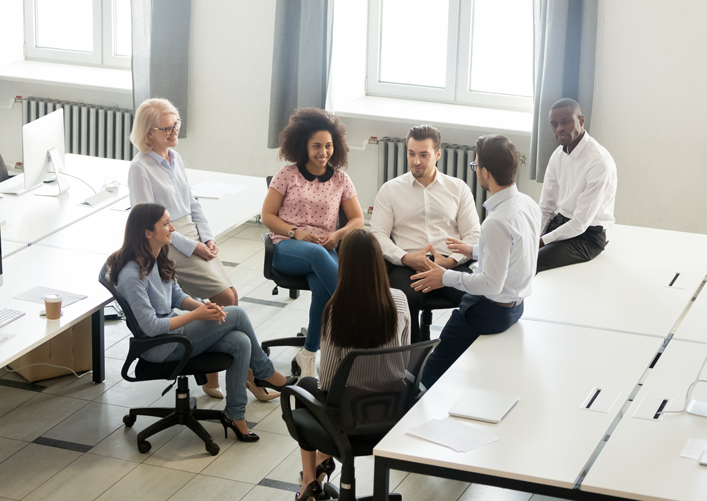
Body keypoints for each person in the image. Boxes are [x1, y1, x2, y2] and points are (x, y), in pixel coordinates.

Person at [106, 203, 296, 442]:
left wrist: (206, 309)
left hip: (175, 330)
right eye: (165, 223)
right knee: (236, 313)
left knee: (239, 341)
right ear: (147, 232)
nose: (172, 228)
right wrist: (198, 315)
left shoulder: (156, 257)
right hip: (160, 346)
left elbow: (176, 295)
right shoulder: (132, 275)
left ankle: (236, 416)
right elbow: (151, 327)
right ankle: (265, 373)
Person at [129, 98, 269, 401]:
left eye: (176, 124)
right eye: (166, 127)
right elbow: (150, 222)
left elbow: (192, 204)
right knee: (225, 298)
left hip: (191, 233)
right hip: (169, 240)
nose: (173, 131)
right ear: (148, 132)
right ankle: (246, 374)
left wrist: (207, 238)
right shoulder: (139, 169)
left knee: (229, 297)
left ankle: (219, 374)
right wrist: (192, 246)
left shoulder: (174, 158)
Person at [411, 135, 541, 389]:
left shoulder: (496, 221)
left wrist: (444, 277)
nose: (476, 170)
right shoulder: (527, 204)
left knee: (435, 365)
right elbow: (516, 252)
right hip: (516, 307)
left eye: (476, 165)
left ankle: (415, 405)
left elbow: (491, 284)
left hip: (488, 311)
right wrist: (474, 251)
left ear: (485, 172)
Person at [294, 229, 411, 501]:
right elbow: (403, 362)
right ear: (378, 263)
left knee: (305, 388)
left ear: (343, 265)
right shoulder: (400, 300)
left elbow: (328, 381)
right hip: (393, 411)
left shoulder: (336, 310)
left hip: (347, 418)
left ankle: (309, 483)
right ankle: (322, 461)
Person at [261, 108, 364, 379]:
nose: (323, 152)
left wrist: (338, 235)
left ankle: (308, 354)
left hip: (324, 250)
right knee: (319, 257)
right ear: (303, 145)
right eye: (316, 145)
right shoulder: (287, 174)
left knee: (323, 288)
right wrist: (295, 232)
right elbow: (267, 216)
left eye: (328, 146)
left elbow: (357, 220)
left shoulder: (341, 179)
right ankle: (358, 316)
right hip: (287, 247)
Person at [371, 125, 480, 343]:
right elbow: (378, 234)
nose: (416, 161)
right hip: (408, 265)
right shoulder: (391, 189)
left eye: (423, 155)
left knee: (479, 298)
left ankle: (455, 355)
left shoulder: (458, 188)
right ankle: (409, 364)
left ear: (438, 155)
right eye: (411, 154)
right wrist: (405, 257)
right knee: (401, 300)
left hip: (450, 264)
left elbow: (473, 235)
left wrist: (450, 261)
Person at [536, 98, 618, 273]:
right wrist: (535, 236)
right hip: (560, 224)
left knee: (528, 262)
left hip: (587, 237)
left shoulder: (599, 162)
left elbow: (580, 223)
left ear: (581, 121)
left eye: (565, 122)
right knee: (513, 248)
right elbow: (545, 207)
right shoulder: (558, 155)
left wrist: (540, 242)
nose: (559, 129)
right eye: (554, 124)